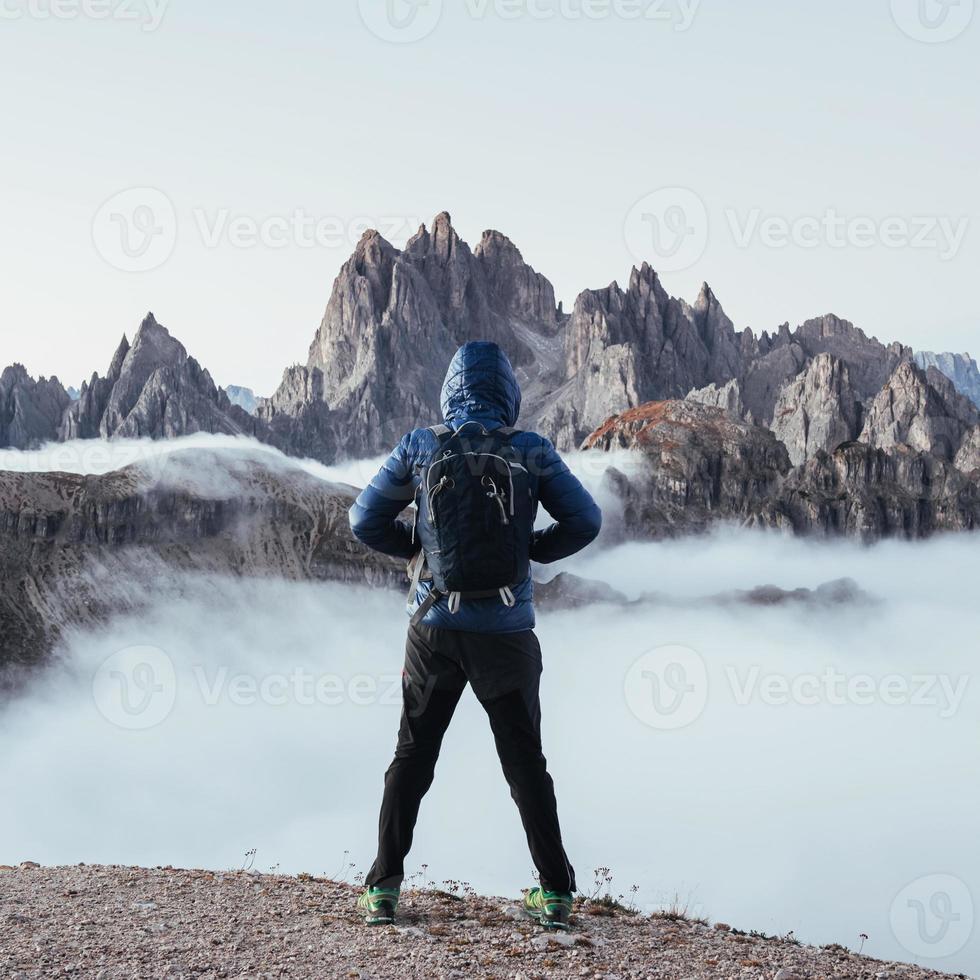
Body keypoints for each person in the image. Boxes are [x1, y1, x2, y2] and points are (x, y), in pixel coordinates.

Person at [348, 340, 602, 930]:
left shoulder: (421, 444)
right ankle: (556, 893)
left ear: (450, 390)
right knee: (525, 764)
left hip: (434, 629)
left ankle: (383, 888)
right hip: (507, 634)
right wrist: (532, 551)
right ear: (508, 393)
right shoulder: (531, 451)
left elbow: (363, 519)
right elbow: (585, 520)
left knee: (412, 755)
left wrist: (414, 547)